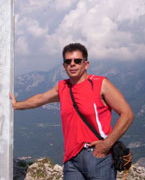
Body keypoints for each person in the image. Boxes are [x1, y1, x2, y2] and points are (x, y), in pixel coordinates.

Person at [10, 43, 134, 180]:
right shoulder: (63, 87)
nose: (72, 64)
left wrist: (106, 144)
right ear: (64, 66)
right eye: (68, 61)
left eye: (77, 61)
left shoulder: (100, 84)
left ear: (86, 64)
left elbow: (127, 114)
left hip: (98, 156)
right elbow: (41, 98)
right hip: (71, 159)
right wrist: (16, 105)